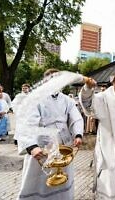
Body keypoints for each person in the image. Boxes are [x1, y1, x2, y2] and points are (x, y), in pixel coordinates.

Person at [17, 69, 84, 200]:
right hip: (42, 145)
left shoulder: (67, 100)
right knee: (38, 179)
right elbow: (26, 123)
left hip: (64, 144)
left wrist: (78, 134)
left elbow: (76, 117)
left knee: (63, 176)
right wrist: (31, 147)